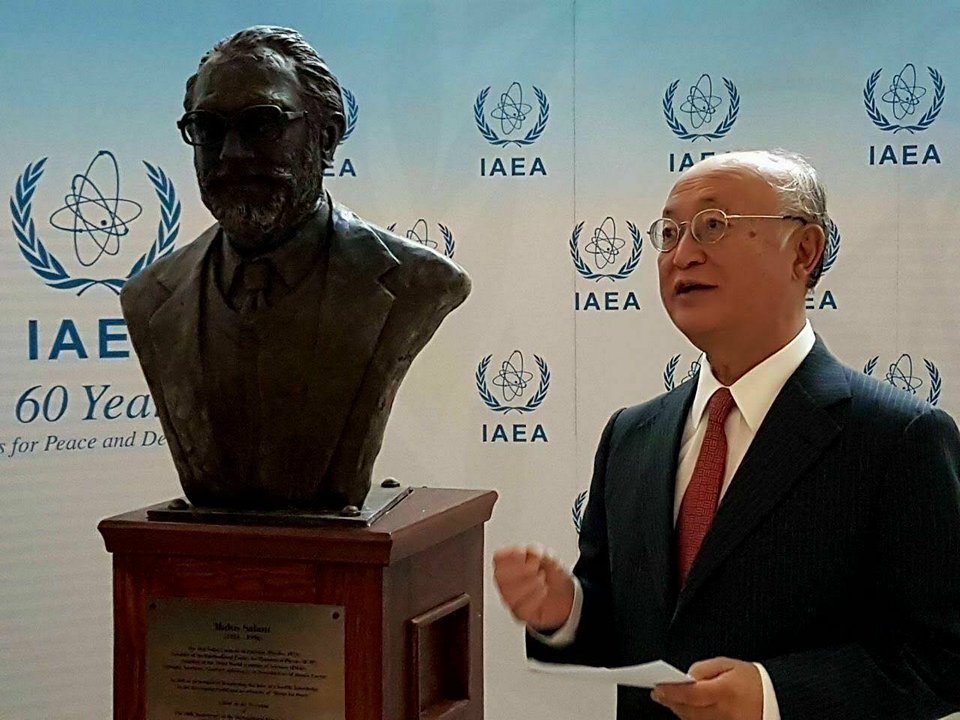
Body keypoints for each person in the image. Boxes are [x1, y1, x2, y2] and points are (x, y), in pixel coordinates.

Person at [494, 150, 960, 719]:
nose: (683, 254)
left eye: (713, 226)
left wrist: (773, 695)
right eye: (669, 233)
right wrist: (565, 612)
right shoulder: (632, 436)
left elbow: (942, 657)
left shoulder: (898, 437)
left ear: (804, 251)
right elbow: (629, 634)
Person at [121, 26, 470, 511]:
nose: (232, 154)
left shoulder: (416, 281)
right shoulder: (152, 296)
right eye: (208, 129)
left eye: (262, 124)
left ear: (326, 138)